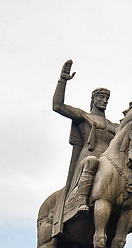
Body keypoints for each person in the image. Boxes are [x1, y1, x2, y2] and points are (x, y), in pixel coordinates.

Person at [51, 59, 119, 234]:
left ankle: (127, 215)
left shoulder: (113, 126)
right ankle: (81, 200)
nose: (104, 101)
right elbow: (58, 106)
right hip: (87, 159)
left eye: (106, 98)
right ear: (93, 99)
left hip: (107, 162)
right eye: (101, 97)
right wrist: (63, 80)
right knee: (91, 161)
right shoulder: (83, 116)